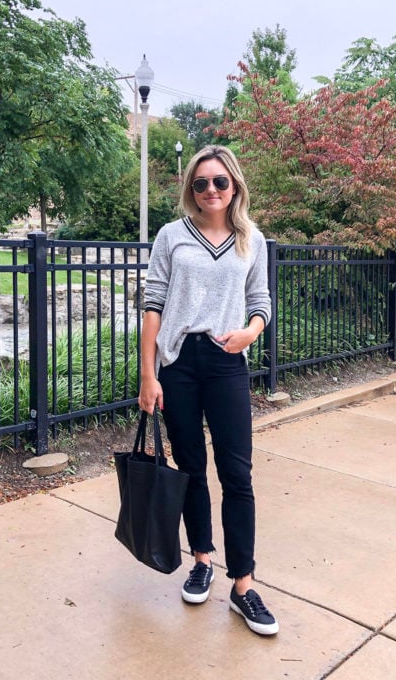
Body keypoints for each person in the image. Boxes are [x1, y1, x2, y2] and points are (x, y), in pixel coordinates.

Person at [138, 144, 279, 636]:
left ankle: (243, 585)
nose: (211, 190)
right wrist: (148, 374)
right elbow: (153, 302)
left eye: (220, 181)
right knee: (191, 468)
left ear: (234, 185)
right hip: (178, 362)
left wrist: (250, 331)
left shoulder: (251, 239)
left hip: (227, 361)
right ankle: (202, 559)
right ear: (191, 190)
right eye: (201, 183)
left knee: (237, 472)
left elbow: (260, 298)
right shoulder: (171, 236)